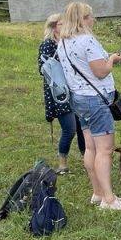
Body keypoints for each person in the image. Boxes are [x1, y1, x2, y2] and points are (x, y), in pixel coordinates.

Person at [55, 1, 121, 210]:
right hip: (96, 99)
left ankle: (98, 192)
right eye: (90, 16)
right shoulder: (87, 40)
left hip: (78, 98)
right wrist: (112, 60)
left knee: (90, 147)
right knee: (105, 150)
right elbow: (100, 72)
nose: (94, 20)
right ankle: (109, 199)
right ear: (82, 20)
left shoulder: (63, 42)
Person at [38, 13, 85, 174]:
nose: (64, 27)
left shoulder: (68, 42)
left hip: (75, 88)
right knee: (69, 128)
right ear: (53, 27)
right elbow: (43, 69)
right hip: (59, 93)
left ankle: (87, 158)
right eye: (60, 24)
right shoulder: (48, 44)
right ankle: (62, 162)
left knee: (82, 126)